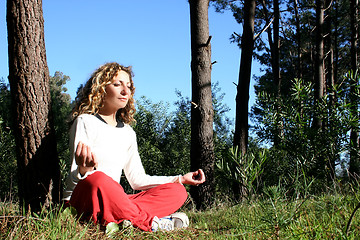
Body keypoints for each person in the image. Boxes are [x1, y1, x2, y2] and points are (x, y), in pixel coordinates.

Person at [63, 62, 206, 232]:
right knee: (98, 179)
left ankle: (121, 220)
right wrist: (84, 170)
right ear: (100, 89)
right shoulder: (85, 121)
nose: (125, 91)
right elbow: (74, 181)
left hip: (116, 201)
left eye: (128, 86)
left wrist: (180, 178)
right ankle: (150, 223)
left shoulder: (128, 132)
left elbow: (138, 180)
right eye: (117, 85)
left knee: (177, 191)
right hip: (84, 200)